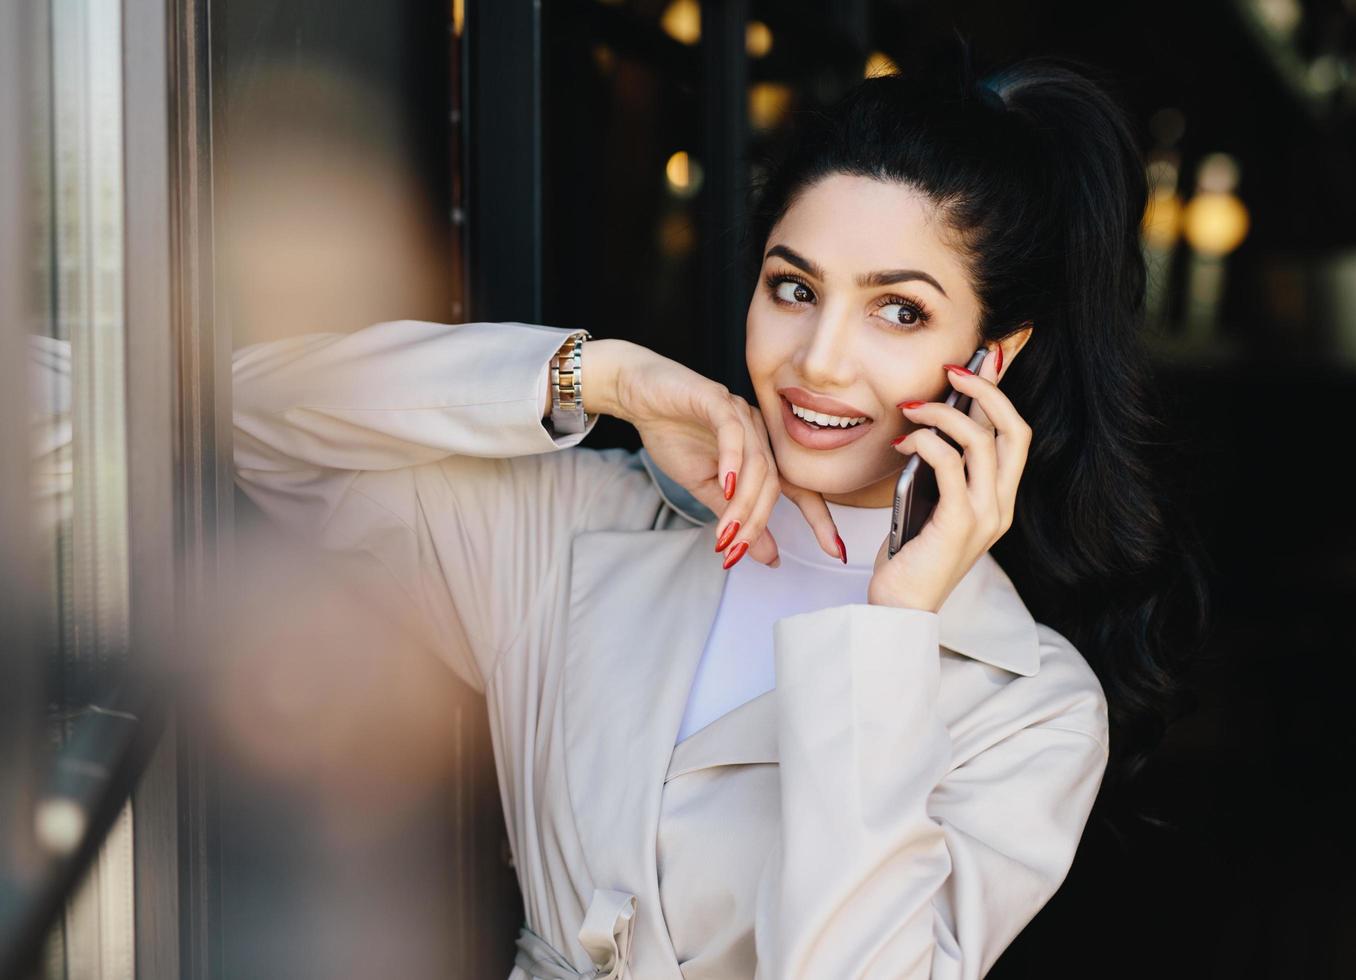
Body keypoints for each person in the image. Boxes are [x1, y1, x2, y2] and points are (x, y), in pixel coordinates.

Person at [231, 49, 1209, 980]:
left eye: (898, 311)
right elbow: (212, 418)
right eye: (793, 288)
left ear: (989, 358)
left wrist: (894, 625)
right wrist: (600, 374)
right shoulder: (583, 525)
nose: (819, 358)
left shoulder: (1029, 705)